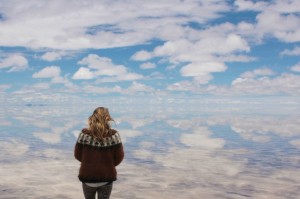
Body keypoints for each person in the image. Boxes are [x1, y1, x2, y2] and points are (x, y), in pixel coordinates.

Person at [74, 107, 124, 199]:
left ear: (92, 117)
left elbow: (77, 155)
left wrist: (88, 162)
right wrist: (108, 164)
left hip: (87, 178)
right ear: (108, 118)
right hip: (106, 179)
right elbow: (119, 158)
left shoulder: (84, 134)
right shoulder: (114, 136)